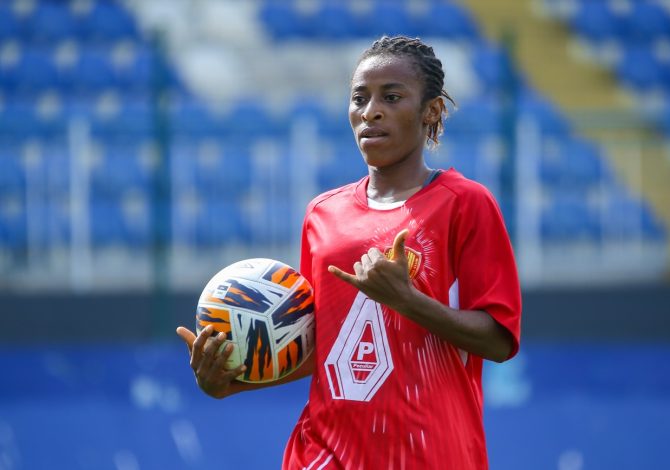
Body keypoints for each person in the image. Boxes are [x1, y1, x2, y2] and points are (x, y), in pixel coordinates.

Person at [177, 35, 522, 469]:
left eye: (391, 97)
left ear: (431, 110)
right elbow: (322, 345)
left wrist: (407, 301)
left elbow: (498, 340)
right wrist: (233, 381)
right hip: (325, 454)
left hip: (430, 454)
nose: (370, 111)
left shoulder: (465, 204)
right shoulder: (323, 213)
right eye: (359, 98)